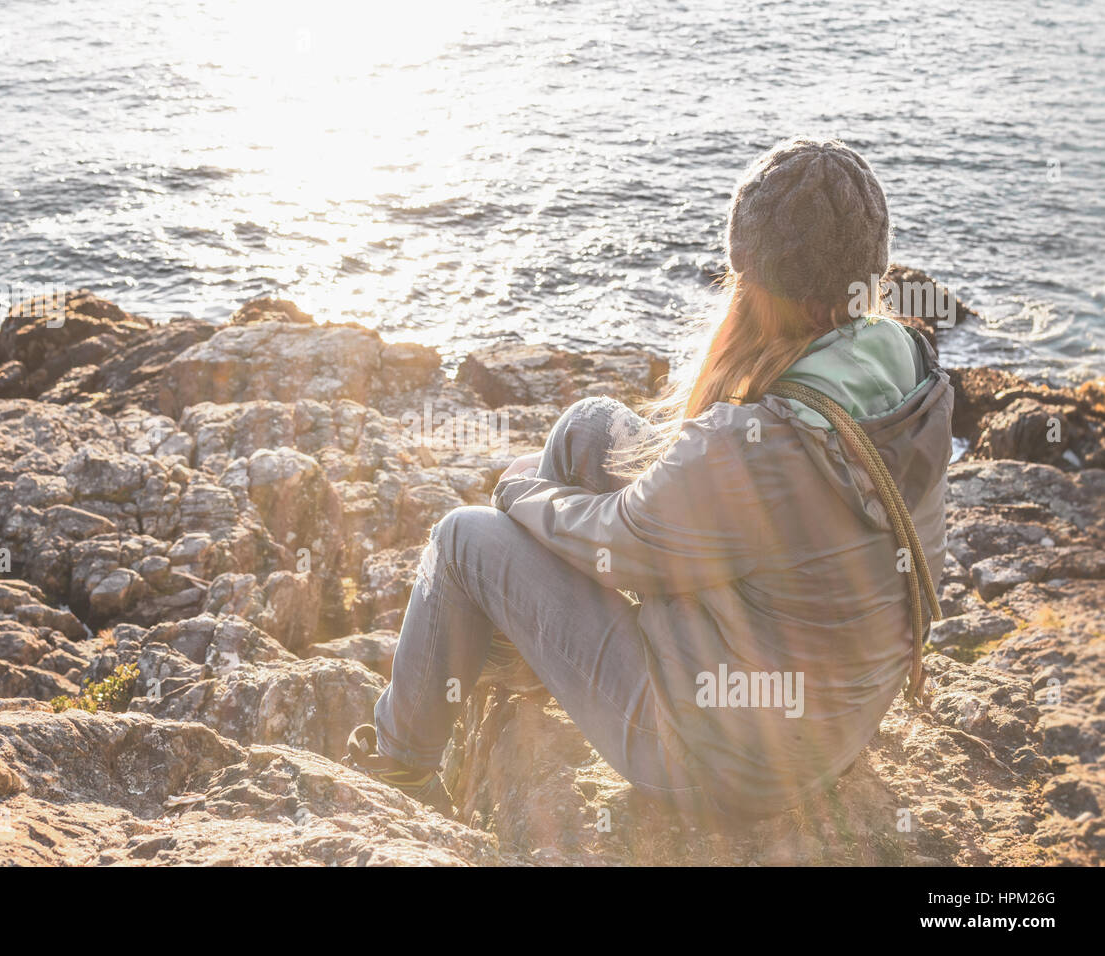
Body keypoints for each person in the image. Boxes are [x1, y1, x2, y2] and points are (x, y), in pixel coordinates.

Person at [344, 137, 954, 820]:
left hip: (724, 762)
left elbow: (624, 535)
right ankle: (530, 666)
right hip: (837, 716)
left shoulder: (751, 446)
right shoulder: (912, 367)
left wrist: (520, 491)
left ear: (756, 282)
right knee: (591, 426)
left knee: (463, 539)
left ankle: (400, 768)